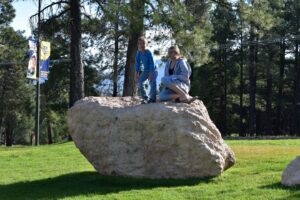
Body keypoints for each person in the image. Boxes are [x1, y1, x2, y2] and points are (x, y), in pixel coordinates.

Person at [135, 36, 157, 103]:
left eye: (143, 43)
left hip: (153, 70)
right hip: (146, 70)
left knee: (152, 82)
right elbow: (137, 63)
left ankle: (153, 99)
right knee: (140, 82)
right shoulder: (138, 53)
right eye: (140, 44)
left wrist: (151, 73)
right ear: (138, 45)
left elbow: (152, 63)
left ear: (146, 44)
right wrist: (136, 73)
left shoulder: (149, 52)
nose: (142, 45)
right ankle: (145, 98)